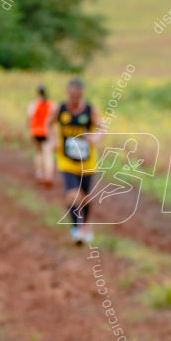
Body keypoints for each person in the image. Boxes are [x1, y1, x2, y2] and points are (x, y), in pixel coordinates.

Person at [48, 77, 102, 244]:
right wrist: (52, 140)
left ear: (81, 93)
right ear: (67, 92)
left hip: (86, 161)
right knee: (72, 195)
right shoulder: (60, 109)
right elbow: (48, 124)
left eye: (77, 94)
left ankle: (85, 225)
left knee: (84, 196)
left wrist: (94, 138)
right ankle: (76, 228)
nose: (74, 98)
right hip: (67, 160)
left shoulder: (90, 110)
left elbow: (102, 128)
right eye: (71, 94)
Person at [27, 85, 55, 186]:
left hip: (36, 132)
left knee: (38, 152)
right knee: (48, 154)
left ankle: (39, 173)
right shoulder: (51, 104)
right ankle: (49, 176)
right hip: (47, 132)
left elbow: (30, 117)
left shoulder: (34, 104)